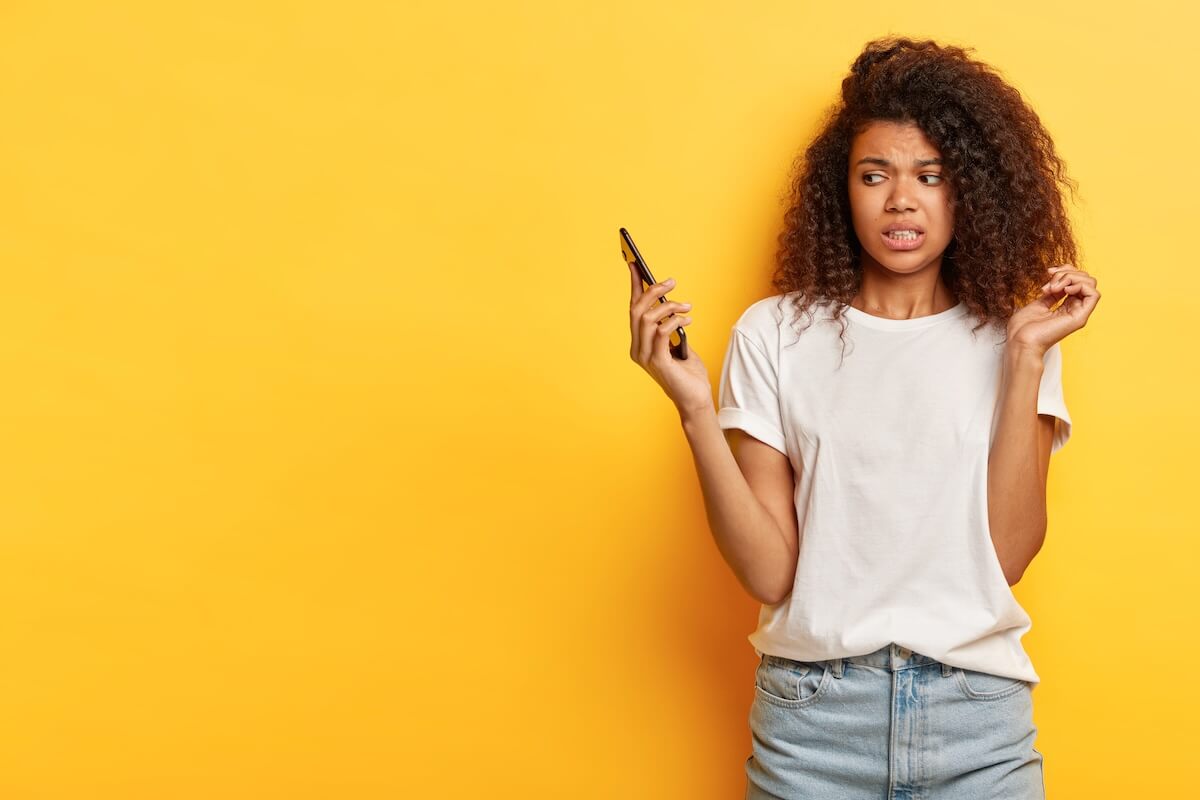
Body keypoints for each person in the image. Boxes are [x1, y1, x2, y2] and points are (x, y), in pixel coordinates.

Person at [626, 36, 1100, 799]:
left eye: (930, 176)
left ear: (969, 190)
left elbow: (1008, 557)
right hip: (813, 726)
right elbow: (770, 572)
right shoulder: (775, 334)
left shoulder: (1017, 338)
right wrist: (693, 408)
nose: (900, 199)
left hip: (977, 723)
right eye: (874, 175)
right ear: (840, 190)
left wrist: (1024, 358)